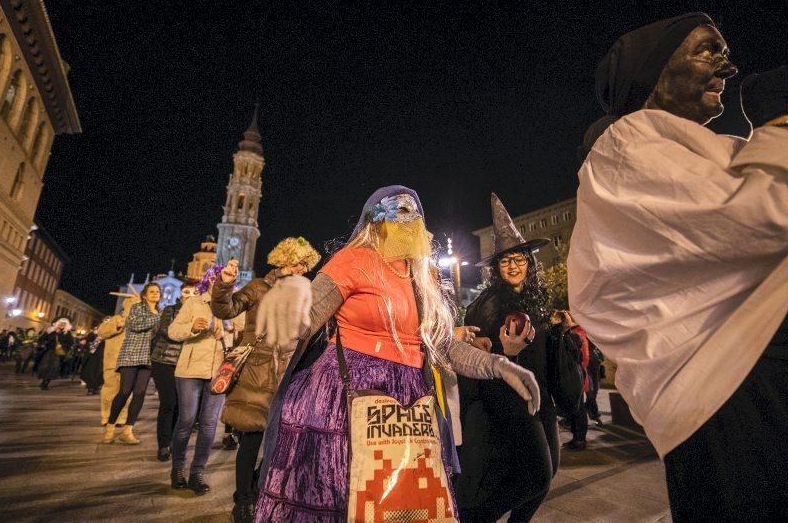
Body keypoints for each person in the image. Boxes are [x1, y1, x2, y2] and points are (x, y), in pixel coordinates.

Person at [568, 13, 788, 520]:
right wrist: (777, 122)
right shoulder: (628, 143)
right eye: (706, 49)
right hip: (734, 402)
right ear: (654, 70)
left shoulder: (692, 148)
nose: (726, 65)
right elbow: (759, 217)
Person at [249, 185, 541, 521]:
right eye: (398, 210)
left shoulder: (424, 275)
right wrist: (295, 296)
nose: (409, 216)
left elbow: (441, 343)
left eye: (414, 210)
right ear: (375, 220)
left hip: (411, 404)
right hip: (346, 400)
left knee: (405, 505)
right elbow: (304, 321)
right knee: (347, 500)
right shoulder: (352, 260)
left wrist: (498, 365)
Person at [456, 193, 558, 522]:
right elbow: (475, 357)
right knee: (534, 475)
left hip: (541, 397)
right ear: (498, 268)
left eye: (519, 258)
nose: (513, 265)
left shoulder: (537, 299)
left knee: (546, 474)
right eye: (505, 261)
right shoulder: (487, 304)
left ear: (530, 262)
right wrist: (504, 353)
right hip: (508, 400)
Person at [211, 237, 322, 522]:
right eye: (298, 262)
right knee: (251, 439)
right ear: (283, 260)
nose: (301, 268)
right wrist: (224, 284)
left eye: (305, 264)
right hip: (257, 373)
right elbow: (225, 310)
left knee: (282, 440)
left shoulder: (304, 292)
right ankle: (243, 500)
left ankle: (259, 486)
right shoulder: (259, 287)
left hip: (287, 376)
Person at [167, 267, 227, 494]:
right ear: (207, 281)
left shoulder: (231, 306)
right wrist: (191, 327)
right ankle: (178, 467)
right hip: (189, 370)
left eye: (221, 280)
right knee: (186, 420)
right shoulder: (194, 303)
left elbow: (243, 334)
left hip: (218, 371)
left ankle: (197, 472)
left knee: (210, 423)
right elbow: (173, 331)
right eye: (213, 279)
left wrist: (229, 331)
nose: (216, 282)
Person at [102, 283, 161, 444]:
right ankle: (110, 427)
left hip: (148, 357)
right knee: (124, 391)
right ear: (144, 295)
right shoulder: (137, 308)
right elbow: (135, 325)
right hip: (131, 355)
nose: (155, 294)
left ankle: (128, 430)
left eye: (157, 292)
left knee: (140, 393)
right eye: (152, 291)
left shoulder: (160, 312)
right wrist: (157, 318)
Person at [150, 283, 195, 462]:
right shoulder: (170, 310)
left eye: (193, 292)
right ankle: (163, 444)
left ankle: (172, 441)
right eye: (186, 292)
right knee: (168, 402)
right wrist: (192, 329)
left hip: (185, 364)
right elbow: (166, 331)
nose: (190, 295)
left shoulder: (199, 312)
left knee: (180, 404)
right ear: (181, 294)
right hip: (164, 361)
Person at [551, 310, 590, 451]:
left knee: (579, 408)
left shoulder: (577, 335)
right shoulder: (565, 335)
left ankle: (580, 439)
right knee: (575, 409)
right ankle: (576, 438)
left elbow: (584, 358)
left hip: (575, 377)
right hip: (572, 376)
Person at [97, 295, 137, 430]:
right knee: (110, 389)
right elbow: (101, 332)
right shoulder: (116, 319)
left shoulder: (139, 322)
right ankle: (106, 416)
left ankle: (121, 417)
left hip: (130, 362)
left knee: (126, 391)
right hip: (112, 362)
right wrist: (116, 325)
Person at [36, 319, 74, 390]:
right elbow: (42, 339)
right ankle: (43, 381)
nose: (62, 325)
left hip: (58, 353)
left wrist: (62, 345)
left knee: (53, 368)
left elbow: (70, 343)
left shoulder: (67, 333)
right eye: (61, 323)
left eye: (64, 324)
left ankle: (46, 383)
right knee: (45, 366)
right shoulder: (51, 331)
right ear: (58, 323)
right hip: (49, 351)